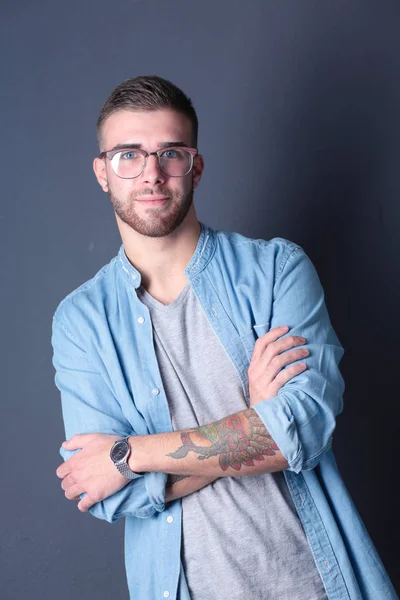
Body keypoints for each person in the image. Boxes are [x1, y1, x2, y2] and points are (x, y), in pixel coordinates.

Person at [52, 75, 397, 600]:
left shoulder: (277, 270)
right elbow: (109, 497)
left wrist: (128, 454)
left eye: (170, 152)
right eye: (128, 155)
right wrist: (253, 420)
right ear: (103, 172)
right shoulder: (80, 322)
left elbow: (299, 429)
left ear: (196, 165)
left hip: (314, 584)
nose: (151, 173)